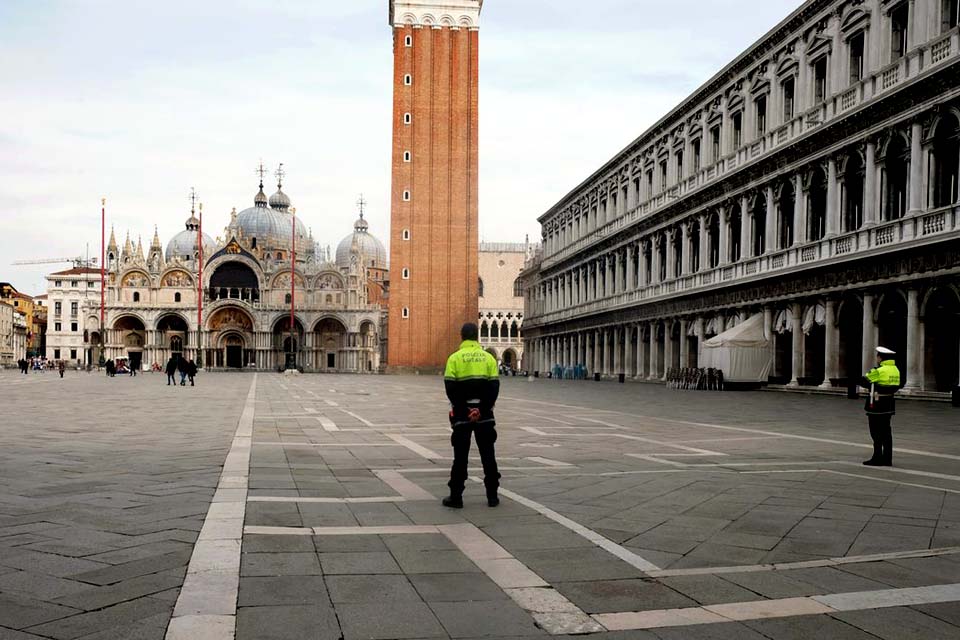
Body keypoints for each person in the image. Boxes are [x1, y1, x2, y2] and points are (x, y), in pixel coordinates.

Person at [442, 322, 501, 509]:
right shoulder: (489, 358)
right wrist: (481, 410)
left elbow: (450, 389)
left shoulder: (454, 358)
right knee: (488, 455)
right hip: (485, 416)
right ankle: (492, 496)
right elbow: (494, 388)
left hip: (461, 416)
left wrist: (465, 410)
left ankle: (456, 496)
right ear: (477, 337)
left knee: (460, 456)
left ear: (462, 336)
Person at [859, 346, 901, 466]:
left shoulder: (879, 370)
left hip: (876, 405)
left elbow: (865, 381)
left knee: (875, 432)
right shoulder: (896, 370)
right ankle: (887, 458)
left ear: (881, 358)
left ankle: (877, 457)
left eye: (878, 356)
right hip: (889, 404)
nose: (877, 358)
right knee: (887, 432)